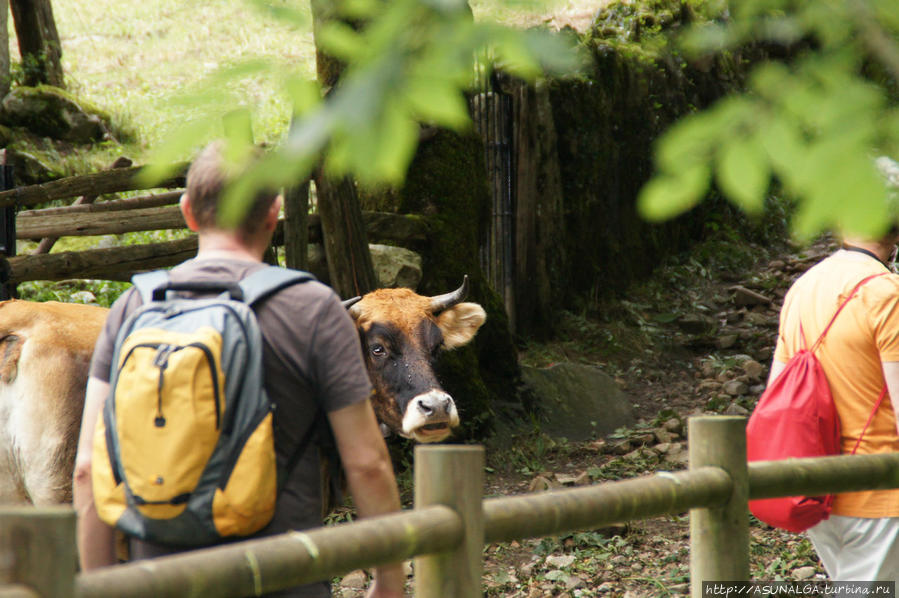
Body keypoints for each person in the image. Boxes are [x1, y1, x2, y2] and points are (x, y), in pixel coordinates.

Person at [72, 141, 405, 598]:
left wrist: (100, 585)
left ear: (188, 212)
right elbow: (366, 463)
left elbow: (88, 468)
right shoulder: (312, 309)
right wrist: (389, 579)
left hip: (159, 581)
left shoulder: (135, 305)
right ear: (273, 214)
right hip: (283, 580)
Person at [769, 215, 899, 579]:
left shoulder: (803, 286)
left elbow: (775, 392)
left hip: (817, 484)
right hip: (881, 490)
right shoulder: (888, 293)